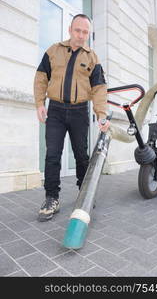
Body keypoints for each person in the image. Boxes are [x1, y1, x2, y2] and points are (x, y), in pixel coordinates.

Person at [34, 14, 110, 222]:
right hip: (56, 110)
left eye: (85, 32)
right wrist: (40, 103)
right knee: (52, 155)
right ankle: (51, 198)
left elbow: (99, 89)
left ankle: (83, 195)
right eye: (78, 30)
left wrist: (101, 115)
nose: (81, 35)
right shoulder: (53, 51)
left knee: (81, 156)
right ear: (70, 29)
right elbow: (41, 78)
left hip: (79, 112)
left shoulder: (92, 58)